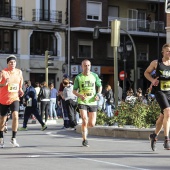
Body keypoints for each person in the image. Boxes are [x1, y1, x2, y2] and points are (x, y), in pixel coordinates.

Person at [144, 43, 170, 150]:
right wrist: (152, 80)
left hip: (169, 92)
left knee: (163, 116)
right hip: (160, 92)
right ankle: (166, 140)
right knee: (168, 111)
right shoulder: (156, 63)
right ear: (163, 52)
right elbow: (146, 73)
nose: (169, 53)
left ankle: (154, 136)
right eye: (168, 51)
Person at [73, 59, 102, 147]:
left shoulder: (95, 76)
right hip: (82, 101)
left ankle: (84, 128)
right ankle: (84, 139)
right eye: (85, 65)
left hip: (92, 101)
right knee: (85, 120)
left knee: (92, 124)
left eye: (88, 65)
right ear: (82, 67)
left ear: (90, 66)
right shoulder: (78, 77)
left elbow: (99, 86)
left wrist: (98, 94)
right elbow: (74, 91)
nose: (87, 67)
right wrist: (80, 95)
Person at [0, 55, 24, 147]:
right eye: (11, 62)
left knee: (15, 116)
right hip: (3, 99)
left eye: (14, 62)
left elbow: (20, 81)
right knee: (2, 119)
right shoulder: (3, 72)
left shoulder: (19, 72)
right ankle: (1, 138)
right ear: (7, 63)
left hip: (14, 98)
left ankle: (13, 138)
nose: (13, 64)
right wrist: (3, 84)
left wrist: (20, 89)